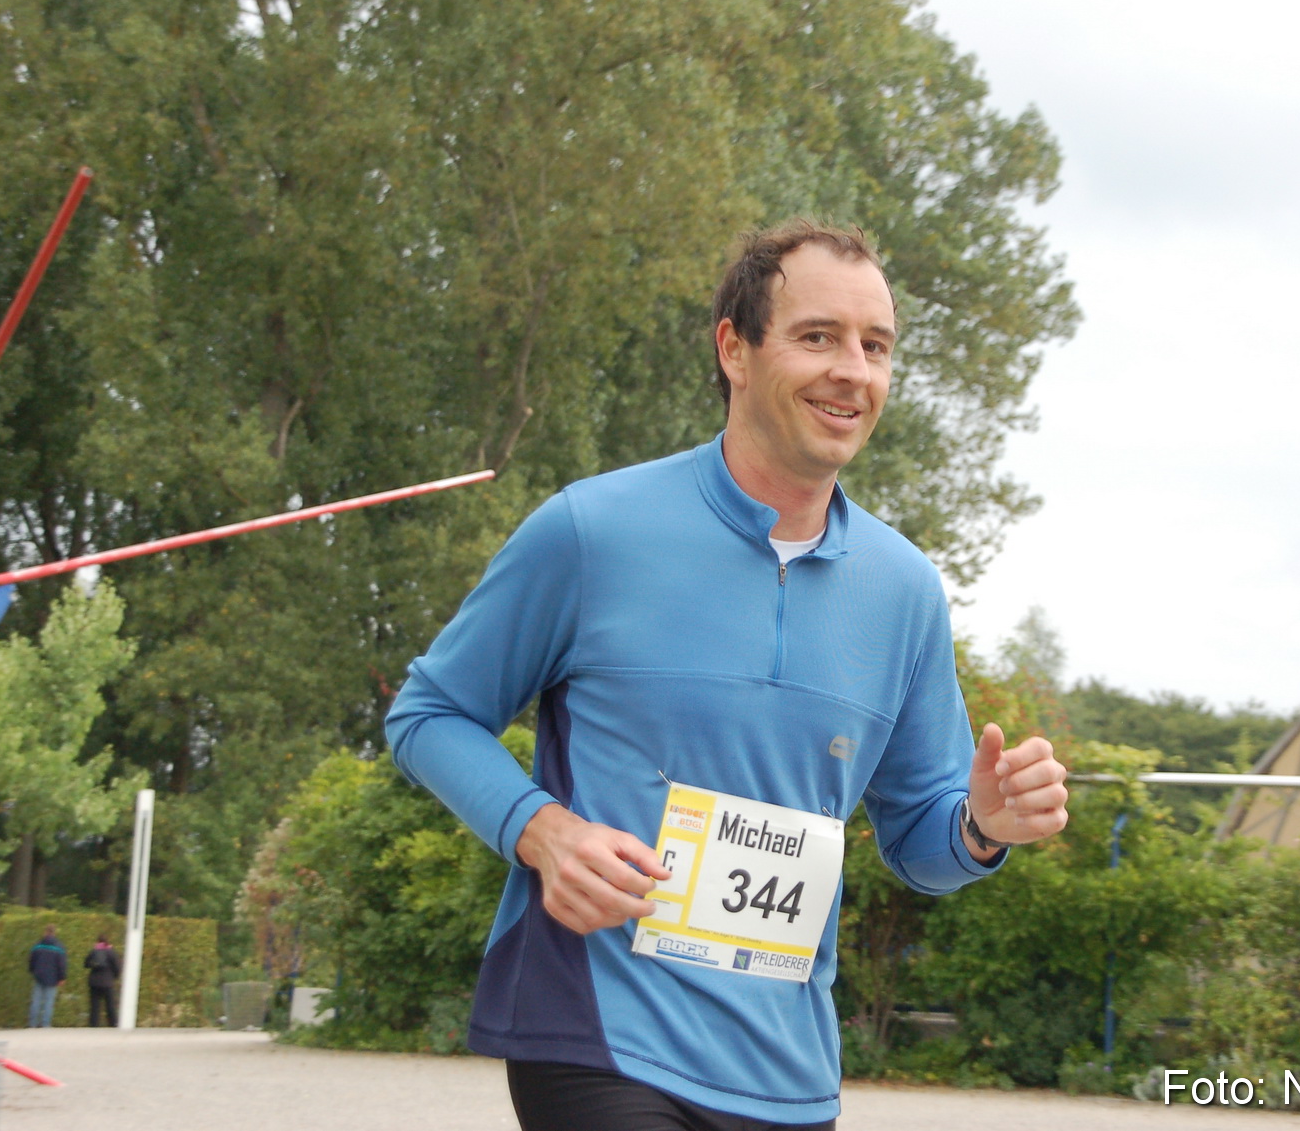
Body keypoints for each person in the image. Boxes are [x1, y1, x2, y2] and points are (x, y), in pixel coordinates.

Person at [386, 219, 1070, 1130]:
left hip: (786, 1070)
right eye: (818, 336)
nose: (852, 371)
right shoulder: (592, 529)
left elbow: (920, 843)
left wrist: (984, 826)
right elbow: (430, 712)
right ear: (734, 349)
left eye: (876, 346)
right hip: (600, 1032)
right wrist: (542, 832)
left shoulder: (904, 590)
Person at [27, 925, 67, 1028]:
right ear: (54, 933)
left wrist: (32, 971)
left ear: (45, 932)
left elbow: (32, 960)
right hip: (53, 977)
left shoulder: (38, 945)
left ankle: (32, 1023)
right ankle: (45, 1024)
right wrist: (62, 977)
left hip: (39, 975)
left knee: (36, 1000)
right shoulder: (59, 947)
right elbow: (62, 964)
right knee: (49, 1001)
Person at [85, 935, 121, 1026]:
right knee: (110, 1005)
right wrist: (114, 977)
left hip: (94, 982)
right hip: (107, 982)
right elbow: (117, 967)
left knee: (95, 1006)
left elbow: (85, 964)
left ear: (98, 941)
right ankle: (112, 1024)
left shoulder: (94, 951)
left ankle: (94, 1025)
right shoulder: (111, 952)